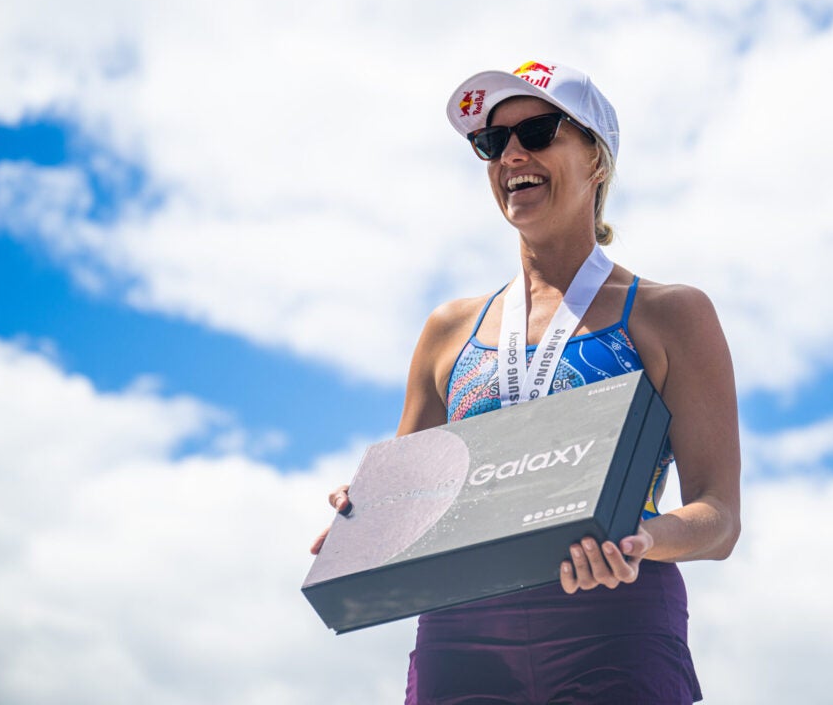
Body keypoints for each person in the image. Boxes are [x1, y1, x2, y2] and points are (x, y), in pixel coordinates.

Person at [311, 60, 741, 704]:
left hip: (614, 623)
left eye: (538, 131)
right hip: (461, 633)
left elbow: (720, 516)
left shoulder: (670, 314)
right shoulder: (448, 330)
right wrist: (365, 513)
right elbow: (408, 503)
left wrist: (642, 538)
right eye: (491, 142)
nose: (511, 153)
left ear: (596, 160)